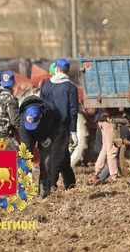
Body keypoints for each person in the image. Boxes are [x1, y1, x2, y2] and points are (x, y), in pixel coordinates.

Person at [40, 58, 78, 195]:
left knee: (61, 155)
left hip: (47, 126)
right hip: (62, 126)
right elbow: (73, 111)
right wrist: (73, 131)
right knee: (57, 155)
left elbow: (41, 106)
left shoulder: (46, 85)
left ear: (57, 69)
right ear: (67, 70)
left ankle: (70, 183)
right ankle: (51, 184)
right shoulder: (71, 87)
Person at [18, 94, 60, 193]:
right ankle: (24, 188)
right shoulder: (23, 117)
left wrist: (50, 138)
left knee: (46, 160)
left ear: (41, 116)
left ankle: (44, 188)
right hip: (27, 132)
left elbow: (56, 126)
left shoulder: (50, 112)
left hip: (44, 131)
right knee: (25, 157)